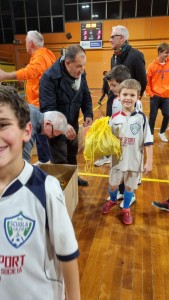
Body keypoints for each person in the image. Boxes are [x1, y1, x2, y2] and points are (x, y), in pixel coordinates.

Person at [0, 85, 81, 300]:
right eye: (53, 133)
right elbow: (22, 157)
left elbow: (68, 253)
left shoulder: (45, 189)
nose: (52, 137)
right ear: (46, 125)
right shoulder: (33, 120)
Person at [40, 44, 93, 186]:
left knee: (72, 155)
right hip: (57, 128)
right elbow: (48, 109)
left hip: (73, 122)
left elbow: (85, 94)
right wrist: (63, 126)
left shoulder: (81, 74)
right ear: (67, 62)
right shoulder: (49, 78)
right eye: (78, 66)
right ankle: (63, 188)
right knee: (60, 160)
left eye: (83, 66)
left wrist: (88, 113)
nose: (82, 70)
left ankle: (74, 178)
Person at [101, 79, 153, 225]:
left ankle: (126, 209)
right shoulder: (114, 117)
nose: (128, 98)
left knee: (129, 186)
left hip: (134, 159)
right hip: (117, 159)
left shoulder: (141, 118)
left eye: (132, 95)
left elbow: (148, 141)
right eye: (125, 94)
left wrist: (149, 162)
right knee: (113, 184)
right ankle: (112, 200)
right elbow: (109, 139)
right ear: (119, 96)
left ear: (138, 97)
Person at [0, 30, 56, 163]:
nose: (25, 45)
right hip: (45, 101)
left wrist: (7, 75)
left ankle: (45, 161)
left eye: (25, 42)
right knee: (41, 133)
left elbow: (32, 71)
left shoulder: (40, 56)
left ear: (30, 43)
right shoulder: (48, 54)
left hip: (39, 102)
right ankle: (45, 160)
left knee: (38, 131)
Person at [95, 25, 147, 166]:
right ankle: (108, 154)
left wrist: (135, 99)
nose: (110, 39)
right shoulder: (114, 57)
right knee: (110, 127)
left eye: (113, 36)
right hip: (113, 100)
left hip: (129, 103)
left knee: (128, 133)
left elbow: (142, 80)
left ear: (122, 38)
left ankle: (130, 160)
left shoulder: (136, 56)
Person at [146, 42, 169, 142]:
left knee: (168, 114)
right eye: (166, 53)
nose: (167, 55)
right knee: (153, 116)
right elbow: (147, 82)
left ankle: (162, 132)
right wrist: (150, 94)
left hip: (166, 95)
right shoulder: (151, 66)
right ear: (160, 52)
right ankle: (150, 134)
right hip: (155, 95)